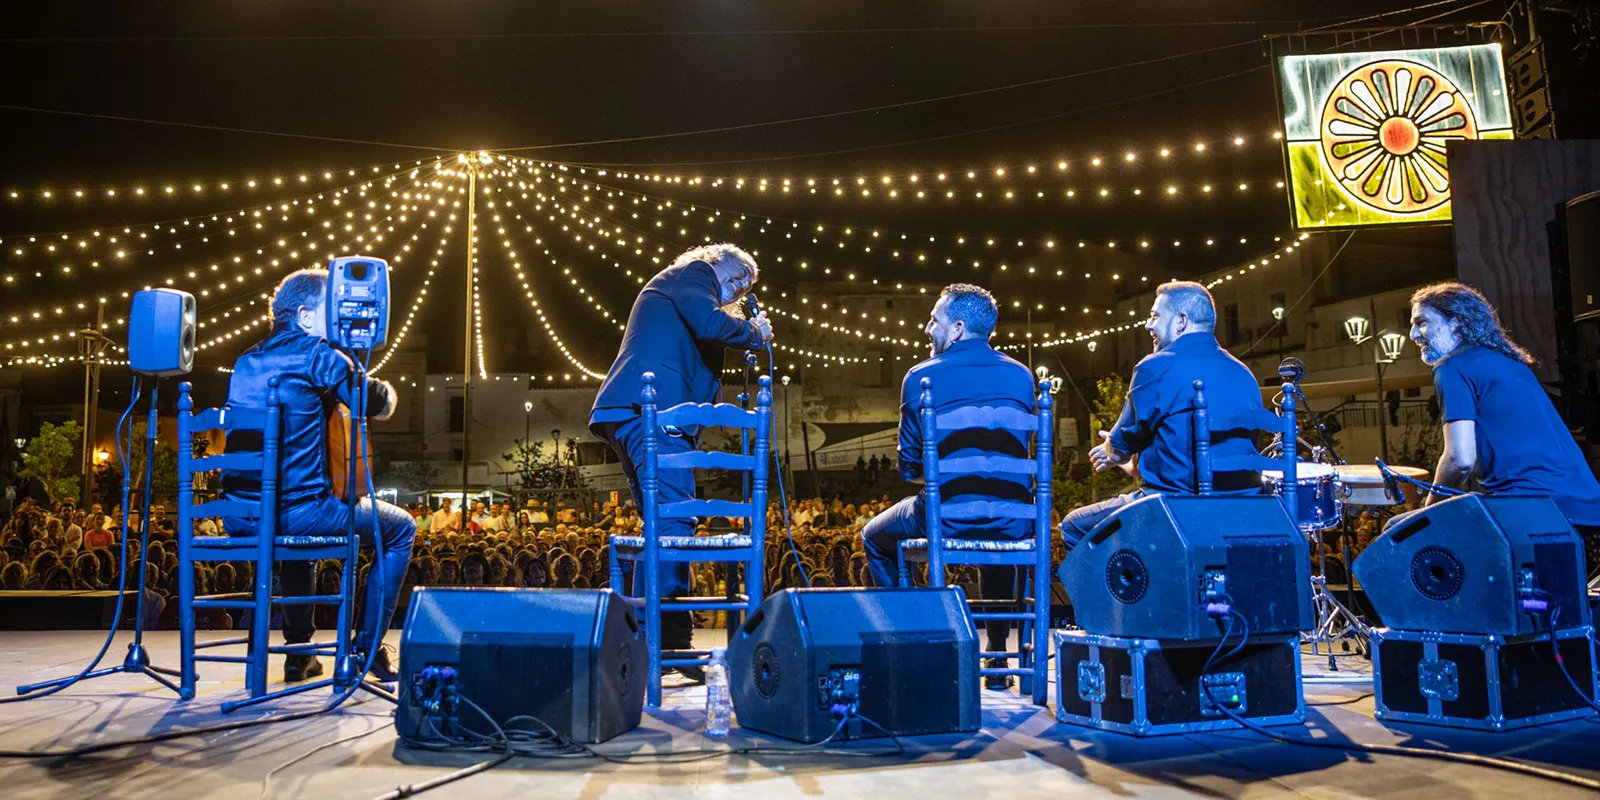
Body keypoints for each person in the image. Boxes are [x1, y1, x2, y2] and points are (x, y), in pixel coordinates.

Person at [220, 268, 416, 683]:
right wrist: (360, 365)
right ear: (307, 317)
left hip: (240, 515)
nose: (338, 319)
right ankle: (366, 649)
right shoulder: (316, 354)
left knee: (302, 547)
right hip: (298, 513)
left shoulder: (244, 361)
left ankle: (300, 654)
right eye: (331, 311)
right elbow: (377, 405)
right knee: (401, 528)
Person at [589, 242, 772, 681]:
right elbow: (709, 323)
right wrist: (754, 332)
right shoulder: (696, 271)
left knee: (661, 522)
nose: (740, 289)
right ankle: (664, 643)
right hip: (650, 410)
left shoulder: (687, 290)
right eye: (739, 277)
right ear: (719, 260)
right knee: (674, 521)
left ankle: (649, 642)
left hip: (635, 411)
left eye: (746, 287)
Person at [858, 284, 1036, 690]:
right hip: (1013, 520)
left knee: (872, 537)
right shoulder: (1023, 376)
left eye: (933, 320)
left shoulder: (921, 377)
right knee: (996, 540)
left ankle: (916, 639)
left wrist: (946, 475)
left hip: (947, 518)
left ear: (956, 329)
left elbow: (909, 469)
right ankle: (996, 655)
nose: (927, 329)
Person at [1402, 282, 1600, 576]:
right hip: (1586, 510)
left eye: (1421, 323)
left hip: (1534, 510)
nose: (1413, 335)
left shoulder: (1451, 367)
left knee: (1400, 534)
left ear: (1456, 322)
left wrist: (1426, 513)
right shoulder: (1509, 362)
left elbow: (1459, 459)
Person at [1058, 281, 1265, 550]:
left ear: (1181, 321)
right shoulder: (1243, 373)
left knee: (1073, 526)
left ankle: (1143, 578)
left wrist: (1111, 450)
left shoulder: (1155, 367)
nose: (1148, 325)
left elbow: (1118, 450)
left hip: (1175, 510)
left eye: (1155, 316)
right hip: (1244, 509)